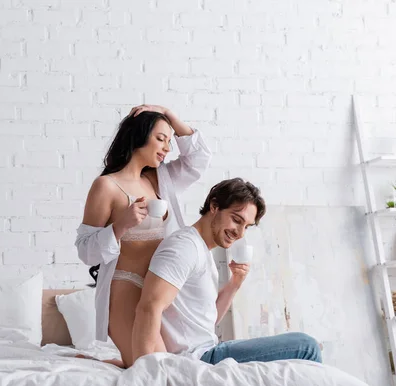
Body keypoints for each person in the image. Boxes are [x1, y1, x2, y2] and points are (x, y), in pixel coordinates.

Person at [75, 104, 212, 367]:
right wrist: (121, 225)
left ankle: (116, 363)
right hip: (125, 287)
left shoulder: (159, 180)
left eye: (169, 141)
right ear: (138, 136)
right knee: (156, 369)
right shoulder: (106, 186)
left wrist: (168, 114)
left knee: (174, 369)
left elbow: (199, 159)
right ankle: (121, 361)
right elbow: (85, 250)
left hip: (159, 290)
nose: (167, 148)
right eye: (160, 139)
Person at [131, 178, 322, 366]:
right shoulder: (184, 247)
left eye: (246, 226)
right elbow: (148, 308)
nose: (240, 233)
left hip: (209, 348)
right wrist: (156, 374)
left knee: (306, 350)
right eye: (236, 220)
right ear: (214, 206)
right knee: (307, 347)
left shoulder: (202, 250)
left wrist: (235, 283)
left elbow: (208, 319)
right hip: (198, 358)